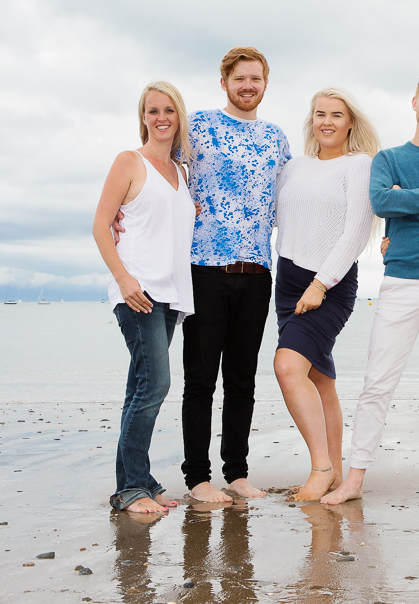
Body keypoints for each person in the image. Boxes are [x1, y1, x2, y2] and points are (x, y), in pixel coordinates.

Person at [321, 70, 419, 504]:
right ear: (414, 102)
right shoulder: (388, 159)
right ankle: (354, 479)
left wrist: (413, 202)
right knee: (377, 382)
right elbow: (383, 202)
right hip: (401, 281)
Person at [181, 47, 290, 502]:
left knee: (242, 379)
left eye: (256, 79)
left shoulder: (277, 139)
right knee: (201, 379)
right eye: (240, 78)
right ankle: (197, 477)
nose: (248, 86)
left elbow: (292, 205)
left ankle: (237, 472)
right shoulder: (198, 126)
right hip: (204, 269)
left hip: (258, 271)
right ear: (224, 82)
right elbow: (165, 174)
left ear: (266, 84)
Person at [272, 87, 380, 501]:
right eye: (320, 114)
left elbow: (355, 231)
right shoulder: (294, 167)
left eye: (337, 114)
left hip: (328, 284)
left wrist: (321, 284)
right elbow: (273, 216)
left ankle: (320, 468)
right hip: (287, 283)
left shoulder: (359, 165)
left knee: (287, 367)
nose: (327, 122)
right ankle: (333, 469)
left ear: (350, 122)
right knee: (319, 379)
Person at [93, 81, 195, 513]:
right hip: (138, 290)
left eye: (168, 110)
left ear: (179, 116)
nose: (161, 118)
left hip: (171, 291)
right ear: (143, 117)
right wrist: (124, 278)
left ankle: (137, 482)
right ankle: (132, 487)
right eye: (152, 110)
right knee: (156, 383)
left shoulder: (182, 172)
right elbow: (101, 225)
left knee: (140, 386)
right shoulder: (129, 161)